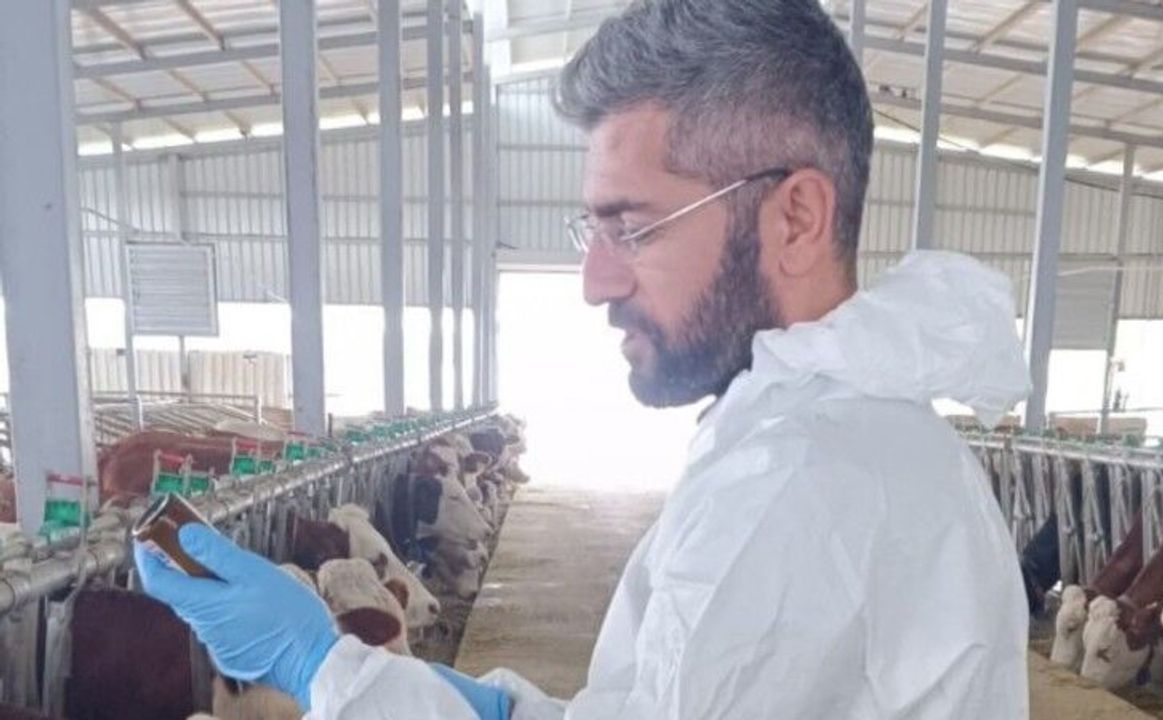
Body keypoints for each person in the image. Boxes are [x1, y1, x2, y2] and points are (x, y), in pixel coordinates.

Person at [135, 0, 1034, 717]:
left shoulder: (804, 477)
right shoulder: (841, 435)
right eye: (592, 230)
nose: (596, 283)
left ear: (794, 218)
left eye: (633, 228)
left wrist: (328, 673)